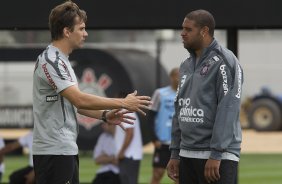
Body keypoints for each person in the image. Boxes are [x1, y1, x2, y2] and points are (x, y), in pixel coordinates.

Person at [32, 1, 151, 184]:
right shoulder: (52, 60)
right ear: (67, 31)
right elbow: (80, 100)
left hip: (63, 150)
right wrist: (123, 103)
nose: (85, 33)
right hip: (54, 152)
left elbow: (75, 105)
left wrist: (105, 115)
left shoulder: (61, 61)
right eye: (81, 28)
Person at [166, 9, 243, 184]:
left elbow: (228, 108)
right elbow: (180, 108)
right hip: (186, 153)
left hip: (216, 157)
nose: (182, 33)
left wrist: (216, 154)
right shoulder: (185, 65)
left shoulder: (225, 61)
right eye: (182, 28)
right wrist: (175, 153)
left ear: (204, 31)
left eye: (188, 29)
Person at [148, 68, 179, 184]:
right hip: (163, 142)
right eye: (176, 75)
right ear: (171, 77)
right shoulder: (160, 93)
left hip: (179, 143)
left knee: (178, 175)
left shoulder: (186, 93)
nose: (179, 78)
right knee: (158, 173)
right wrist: (154, 138)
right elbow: (150, 117)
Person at [114, 92, 143, 184]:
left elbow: (130, 133)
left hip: (129, 155)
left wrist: (122, 152)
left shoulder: (127, 112)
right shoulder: (127, 112)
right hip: (128, 155)